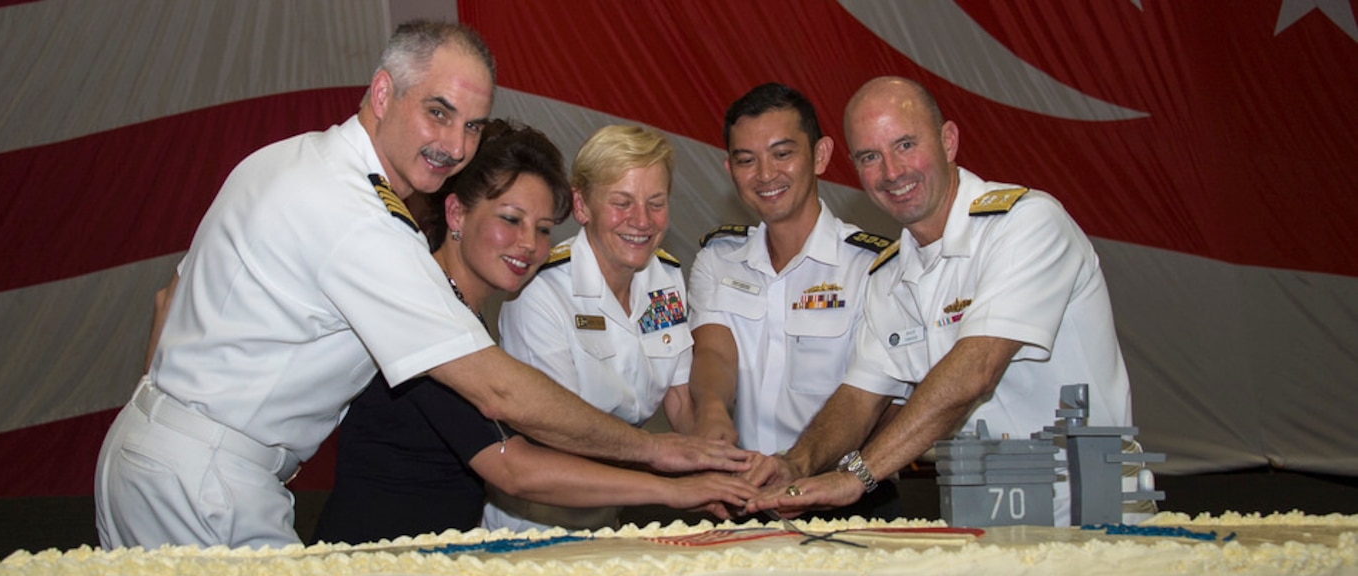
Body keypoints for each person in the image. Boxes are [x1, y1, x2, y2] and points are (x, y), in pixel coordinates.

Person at [97, 20, 746, 551]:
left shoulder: (287, 160)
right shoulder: (362, 221)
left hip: (151, 451)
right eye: (439, 113)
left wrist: (170, 427)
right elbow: (499, 399)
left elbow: (167, 301)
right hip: (211, 480)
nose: (455, 144)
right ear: (383, 94)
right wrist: (659, 457)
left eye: (471, 125)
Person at [314, 122, 756, 542]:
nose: (528, 243)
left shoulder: (459, 312)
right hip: (368, 565)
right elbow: (516, 466)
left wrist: (707, 449)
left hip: (434, 561)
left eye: (542, 229)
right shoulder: (425, 311)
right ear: (457, 213)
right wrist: (669, 479)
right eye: (510, 219)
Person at [745, 76, 1134, 527]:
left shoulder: (1025, 224)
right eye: (870, 157)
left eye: (906, 144)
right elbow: (859, 397)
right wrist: (797, 464)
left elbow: (977, 369)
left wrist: (857, 476)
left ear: (948, 141)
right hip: (979, 529)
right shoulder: (888, 275)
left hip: (1091, 522)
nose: (891, 172)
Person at [686, 83, 899, 518]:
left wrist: (827, 470)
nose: (765, 174)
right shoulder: (717, 259)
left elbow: (889, 401)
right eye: (747, 160)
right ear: (730, 168)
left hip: (848, 500)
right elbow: (714, 352)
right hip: (742, 497)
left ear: (820, 156)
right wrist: (711, 417)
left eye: (782, 154)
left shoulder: (873, 266)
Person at [484, 125, 694, 533]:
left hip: (611, 513)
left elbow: (681, 399)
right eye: (622, 202)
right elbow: (557, 435)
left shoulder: (666, 281)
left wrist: (720, 459)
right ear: (581, 205)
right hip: (532, 525)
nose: (642, 221)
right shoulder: (542, 292)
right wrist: (669, 466)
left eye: (656, 203)